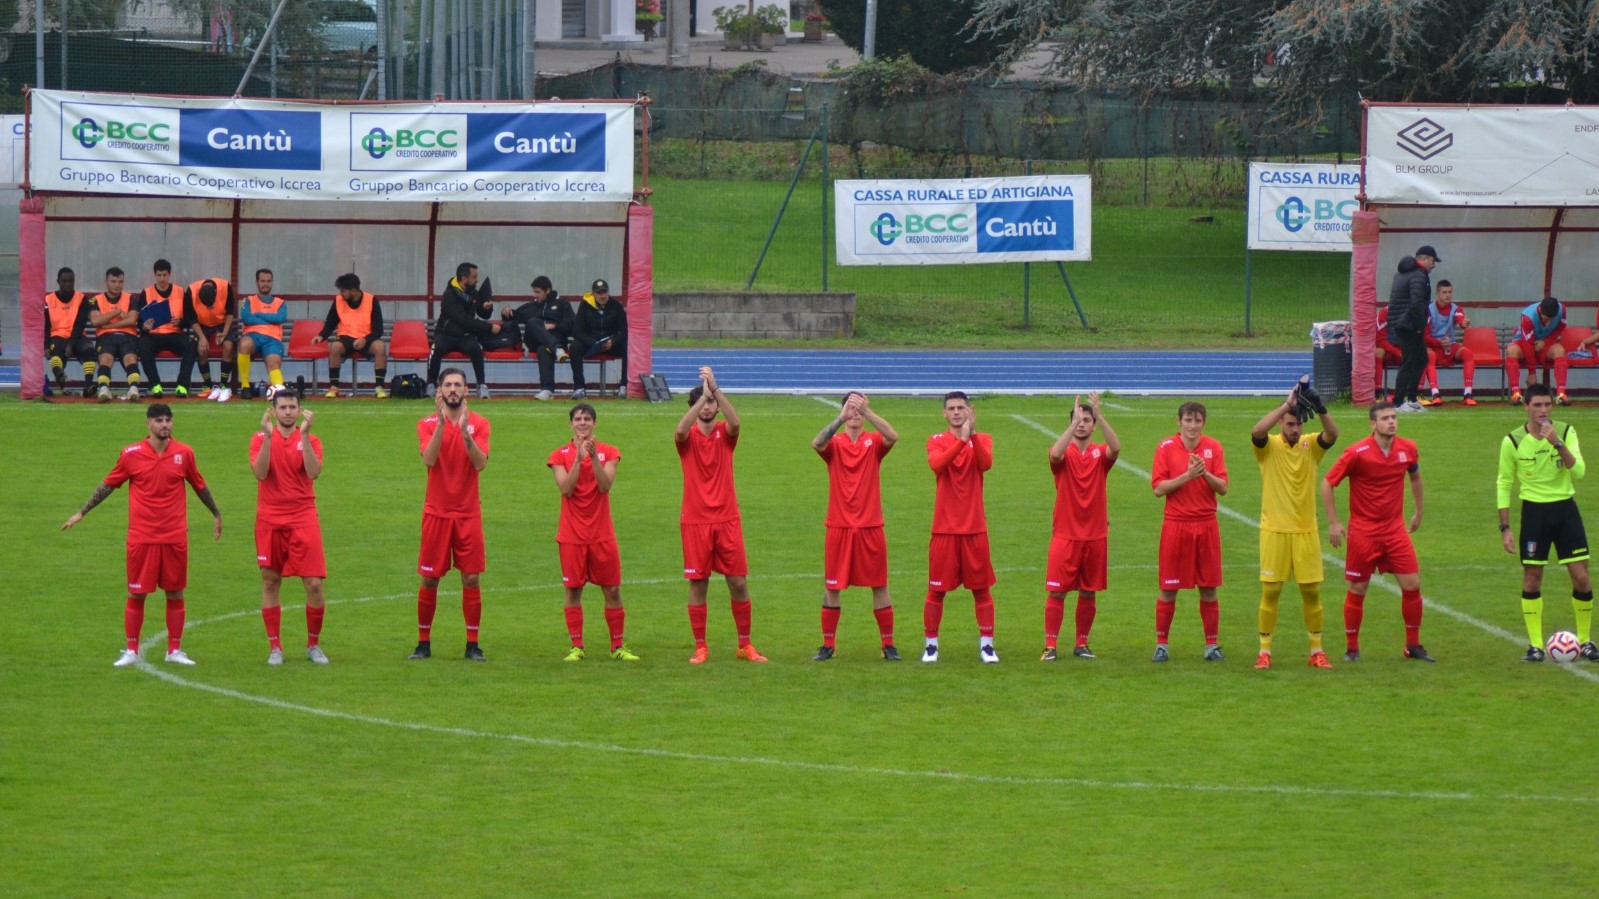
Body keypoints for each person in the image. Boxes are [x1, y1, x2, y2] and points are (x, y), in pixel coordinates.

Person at [60, 403, 222, 667]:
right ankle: (131, 650)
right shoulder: (131, 455)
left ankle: (174, 650)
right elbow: (108, 485)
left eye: (168, 420)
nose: (164, 425)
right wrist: (82, 512)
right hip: (142, 537)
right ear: (148, 424)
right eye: (159, 420)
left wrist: (216, 513)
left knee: (175, 593)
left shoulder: (184, 453)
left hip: (174, 536)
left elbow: (199, 485)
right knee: (136, 594)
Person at [1319, 402, 1433, 663]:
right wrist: (1334, 523)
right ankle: (1352, 648)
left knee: (1412, 584)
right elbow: (1328, 483)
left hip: (1395, 532)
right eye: (1385, 418)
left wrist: (1418, 511)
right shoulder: (1356, 453)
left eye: (1394, 417)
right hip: (1364, 533)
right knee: (1358, 588)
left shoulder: (1408, 449)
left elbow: (1415, 476)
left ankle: (1413, 645)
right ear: (1373, 424)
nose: (1392, 422)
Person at [1497, 383, 1599, 662]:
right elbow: (1504, 483)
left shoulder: (1565, 432)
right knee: (1532, 578)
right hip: (1534, 514)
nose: (1543, 410)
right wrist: (1504, 527)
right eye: (1537, 405)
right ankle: (1535, 646)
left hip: (1565, 510)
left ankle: (1587, 641)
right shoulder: (1513, 441)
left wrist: (1557, 442)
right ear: (1526, 406)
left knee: (1580, 576)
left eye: (1547, 405)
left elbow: (1578, 472)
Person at [675, 366, 766, 664]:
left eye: (712, 403)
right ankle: (700, 646)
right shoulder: (686, 439)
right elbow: (679, 430)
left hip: (727, 520)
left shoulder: (725, 435)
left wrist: (715, 389)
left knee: (738, 583)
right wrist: (702, 396)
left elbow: (736, 422)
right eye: (702, 404)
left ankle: (745, 645)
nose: (708, 408)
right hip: (696, 521)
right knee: (698, 584)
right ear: (695, 407)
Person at [1250, 383, 1339, 670]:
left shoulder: (1310, 446)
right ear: (1281, 423)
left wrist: (1322, 408)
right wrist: (1287, 405)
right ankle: (1264, 651)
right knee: (1271, 591)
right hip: (1274, 530)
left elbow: (1332, 435)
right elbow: (1256, 432)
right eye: (1290, 424)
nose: (1295, 429)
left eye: (1299, 424)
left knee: (1311, 592)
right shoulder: (1269, 447)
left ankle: (1316, 650)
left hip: (1305, 531)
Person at [810, 391, 901, 661]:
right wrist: (840, 418)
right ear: (843, 412)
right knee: (832, 587)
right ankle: (828, 645)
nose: (856, 413)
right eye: (851, 408)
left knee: (880, 586)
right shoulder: (835, 444)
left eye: (860, 409)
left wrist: (868, 412)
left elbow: (893, 436)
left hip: (870, 525)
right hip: (838, 526)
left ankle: (888, 645)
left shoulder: (873, 442)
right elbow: (816, 443)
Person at [410, 368, 491, 661]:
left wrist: (466, 433)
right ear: (439, 392)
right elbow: (429, 460)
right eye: (448, 385)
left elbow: (480, 464)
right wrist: (444, 426)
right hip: (437, 513)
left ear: (467, 391)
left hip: (468, 514)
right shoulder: (427, 424)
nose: (453, 389)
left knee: (471, 578)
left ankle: (472, 645)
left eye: (458, 385)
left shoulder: (480, 424)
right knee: (430, 579)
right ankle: (423, 643)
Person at [548, 403, 639, 662]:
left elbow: (604, 485)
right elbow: (566, 489)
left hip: (602, 535)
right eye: (578, 419)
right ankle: (577, 646)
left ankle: (617, 647)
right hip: (571, 536)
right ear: (571, 424)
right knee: (573, 591)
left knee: (612, 590)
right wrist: (578, 459)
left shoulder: (609, 452)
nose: (583, 422)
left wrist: (594, 457)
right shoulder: (559, 455)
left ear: (595, 423)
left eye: (587, 418)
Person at [251, 389, 329, 665]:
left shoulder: (311, 439)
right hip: (269, 520)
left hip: (303, 518)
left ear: (299, 410)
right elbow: (260, 473)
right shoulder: (260, 439)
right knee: (271, 581)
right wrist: (269, 438)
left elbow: (313, 472)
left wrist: (305, 436)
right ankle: (275, 647)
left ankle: (313, 645)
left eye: (292, 407)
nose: (287, 412)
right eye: (282, 407)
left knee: (314, 584)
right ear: (274, 410)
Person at [922, 391, 1000, 664]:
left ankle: (987, 645)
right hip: (944, 529)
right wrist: (961, 440)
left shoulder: (983, 439)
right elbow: (937, 465)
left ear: (969, 411)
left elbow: (985, 464)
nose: (956, 412)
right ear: (944, 413)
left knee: (981, 590)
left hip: (975, 529)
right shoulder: (936, 441)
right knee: (937, 591)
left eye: (961, 408)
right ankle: (931, 645)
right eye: (951, 409)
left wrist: (973, 436)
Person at [1042, 392, 1119, 661]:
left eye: (1088, 420)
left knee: (1088, 590)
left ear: (1094, 424)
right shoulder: (1065, 454)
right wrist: (1072, 424)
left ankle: (1082, 643)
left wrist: (1101, 414)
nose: (1084, 423)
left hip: (1096, 535)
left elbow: (1116, 448)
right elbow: (1055, 455)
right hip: (1066, 534)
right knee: (1057, 590)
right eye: (1079, 420)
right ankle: (1050, 646)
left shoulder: (1100, 454)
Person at [1151, 401, 1229, 661]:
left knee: (1208, 587)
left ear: (1203, 423)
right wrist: (1187, 475)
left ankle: (1211, 646)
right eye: (1188, 420)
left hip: (1206, 524)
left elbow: (1223, 487)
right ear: (1179, 422)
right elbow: (1158, 489)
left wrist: (1203, 473)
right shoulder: (1165, 448)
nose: (1192, 426)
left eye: (1197, 421)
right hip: (1176, 524)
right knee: (1168, 587)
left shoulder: (1214, 447)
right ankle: (1162, 644)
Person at [428, 261, 500, 399]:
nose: (477, 279)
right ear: (464, 278)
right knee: (436, 348)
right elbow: (463, 319)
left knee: (475, 348)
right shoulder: (449, 294)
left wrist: (487, 307)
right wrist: (489, 328)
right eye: (474, 277)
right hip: (445, 334)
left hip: (464, 336)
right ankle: (431, 385)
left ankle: (481, 385)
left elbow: (483, 314)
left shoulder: (473, 293)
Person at [312, 273, 389, 399]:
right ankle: (334, 387)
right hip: (345, 339)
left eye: (343, 291)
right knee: (335, 347)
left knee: (380, 346)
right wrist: (321, 336)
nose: (341, 294)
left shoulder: (371, 300)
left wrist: (365, 339)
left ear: (353, 291)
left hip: (366, 339)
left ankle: (379, 387)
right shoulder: (338, 300)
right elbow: (330, 323)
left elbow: (378, 330)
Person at [503, 274, 573, 402]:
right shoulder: (531, 306)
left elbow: (571, 325)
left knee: (543, 349)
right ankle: (557, 349)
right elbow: (514, 316)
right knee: (533, 322)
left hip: (553, 340)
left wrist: (554, 326)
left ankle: (547, 390)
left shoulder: (563, 304)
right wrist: (506, 312)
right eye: (534, 292)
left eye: (538, 292)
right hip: (536, 341)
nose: (534, 295)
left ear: (548, 291)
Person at [1387, 244, 1438, 412]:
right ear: (1423, 258)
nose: (1434, 265)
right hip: (1409, 324)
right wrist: (1418, 326)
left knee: (1421, 359)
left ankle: (1411, 398)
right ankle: (1399, 401)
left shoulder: (1401, 273)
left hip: (1402, 322)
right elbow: (1417, 303)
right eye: (1432, 260)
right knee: (1409, 362)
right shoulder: (1419, 275)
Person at [136, 259, 198, 399]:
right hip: (153, 335)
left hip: (174, 334)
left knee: (191, 344)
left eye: (164, 275)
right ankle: (155, 385)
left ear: (170, 275)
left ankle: (182, 385)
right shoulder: (146, 293)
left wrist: (181, 323)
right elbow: (140, 322)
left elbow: (190, 318)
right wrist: (145, 327)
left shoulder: (181, 291)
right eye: (159, 275)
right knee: (142, 344)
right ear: (154, 275)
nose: (162, 278)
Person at [89, 267, 145, 402]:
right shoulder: (95, 300)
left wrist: (108, 324)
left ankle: (133, 389)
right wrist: (117, 312)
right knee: (105, 359)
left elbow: (132, 320)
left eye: (120, 282)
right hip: (105, 337)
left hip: (128, 336)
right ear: (106, 282)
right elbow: (96, 321)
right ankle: (103, 389)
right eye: (113, 281)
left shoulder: (131, 298)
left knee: (130, 358)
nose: (117, 285)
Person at [1506, 296, 1570, 406]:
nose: (1547, 323)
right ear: (1540, 311)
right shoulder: (1528, 317)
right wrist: (1532, 373)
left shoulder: (1562, 309)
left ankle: (1561, 395)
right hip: (1525, 343)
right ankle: (1516, 394)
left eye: (1551, 320)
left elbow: (1561, 327)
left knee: (1560, 350)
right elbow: (1528, 344)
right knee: (1511, 350)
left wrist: (1546, 341)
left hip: (1545, 342)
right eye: (1545, 319)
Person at [570, 278, 627, 401]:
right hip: (591, 344)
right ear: (593, 294)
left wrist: (613, 341)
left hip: (610, 344)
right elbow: (577, 331)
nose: (602, 295)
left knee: (627, 346)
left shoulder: (616, 306)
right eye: (599, 293)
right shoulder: (585, 305)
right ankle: (579, 387)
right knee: (574, 346)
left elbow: (624, 332)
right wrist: (593, 343)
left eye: (604, 292)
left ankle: (624, 385)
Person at [43, 266, 96, 398]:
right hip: (58, 335)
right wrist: (46, 345)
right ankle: (61, 379)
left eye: (71, 281)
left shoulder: (82, 299)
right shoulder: (48, 300)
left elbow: (80, 324)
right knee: (55, 355)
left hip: (77, 336)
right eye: (64, 281)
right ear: (58, 281)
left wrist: (71, 344)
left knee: (89, 349)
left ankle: (88, 387)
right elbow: (46, 325)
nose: (68, 284)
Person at [237, 268, 290, 399]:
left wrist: (259, 315)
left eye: (268, 281)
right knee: (244, 344)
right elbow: (247, 318)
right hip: (253, 336)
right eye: (262, 281)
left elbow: (280, 318)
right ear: (257, 282)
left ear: (272, 282)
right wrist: (270, 320)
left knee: (274, 363)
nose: (265, 284)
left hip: (273, 339)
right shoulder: (247, 300)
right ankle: (245, 387)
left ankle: (279, 392)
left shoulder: (281, 302)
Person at [1422, 280, 1476, 406]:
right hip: (1433, 345)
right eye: (1444, 292)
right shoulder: (1428, 310)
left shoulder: (1456, 308)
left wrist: (1464, 323)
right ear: (1437, 294)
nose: (1448, 295)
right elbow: (1424, 336)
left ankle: (1468, 394)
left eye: (1450, 292)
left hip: (1449, 344)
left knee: (1468, 354)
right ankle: (1435, 394)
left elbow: (1460, 318)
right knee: (1429, 357)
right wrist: (1438, 343)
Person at [186, 276, 238, 401]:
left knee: (228, 346)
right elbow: (191, 318)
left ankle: (223, 384)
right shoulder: (191, 291)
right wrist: (202, 338)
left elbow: (230, 312)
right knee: (201, 348)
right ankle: (208, 385)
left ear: (215, 293)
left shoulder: (225, 286)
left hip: (221, 322)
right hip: (201, 324)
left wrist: (225, 332)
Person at [1375, 305, 1432, 403]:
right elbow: (1380, 340)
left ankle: (1417, 393)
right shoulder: (1385, 312)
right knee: (1378, 352)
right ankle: (1378, 392)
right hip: (1390, 350)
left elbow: (1423, 336)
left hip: (1407, 349)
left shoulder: (1421, 312)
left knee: (1422, 355)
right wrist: (1399, 352)